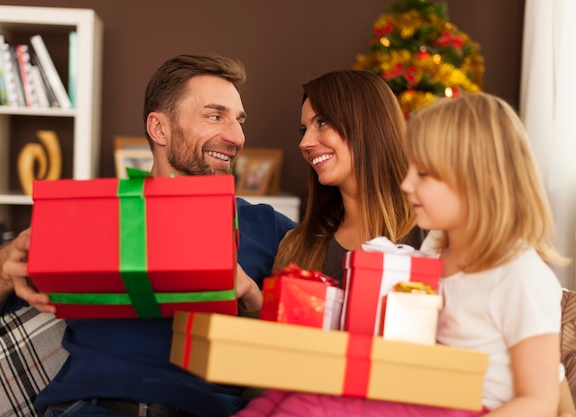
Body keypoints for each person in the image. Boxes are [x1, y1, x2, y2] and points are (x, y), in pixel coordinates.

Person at [0, 54, 296, 417]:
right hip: (89, 408)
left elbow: (308, 345)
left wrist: (251, 295)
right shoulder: (96, 213)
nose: (236, 136)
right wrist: (8, 260)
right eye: (215, 116)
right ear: (159, 128)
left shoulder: (266, 227)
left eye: (239, 121)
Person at [234, 92, 569, 417]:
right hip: (418, 390)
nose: (406, 183)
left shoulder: (520, 274)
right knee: (281, 397)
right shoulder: (435, 249)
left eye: (423, 173)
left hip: (466, 406)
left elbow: (540, 400)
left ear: (482, 182)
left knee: (306, 408)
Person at [273, 69, 424, 282]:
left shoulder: (430, 236)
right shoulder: (297, 247)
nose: (304, 143)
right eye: (303, 130)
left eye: (322, 122)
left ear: (368, 124)